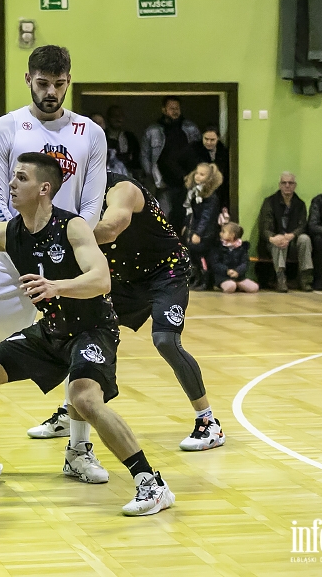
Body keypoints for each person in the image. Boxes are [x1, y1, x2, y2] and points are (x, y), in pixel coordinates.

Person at [0, 154, 175, 516]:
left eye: (21, 178)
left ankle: (151, 484)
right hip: (51, 330)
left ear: (44, 189)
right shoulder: (6, 232)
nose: (11, 184)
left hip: (92, 330)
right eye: (12, 177)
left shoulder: (73, 227)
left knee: (84, 399)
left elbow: (101, 279)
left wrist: (55, 286)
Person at [91, 172, 224, 452]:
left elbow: (112, 227)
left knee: (166, 341)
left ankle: (208, 421)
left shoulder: (121, 188)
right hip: (123, 276)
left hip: (166, 271)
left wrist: (60, 235)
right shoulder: (72, 192)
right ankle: (75, 412)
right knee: (83, 333)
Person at [140, 96, 200, 232]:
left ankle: (183, 250)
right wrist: (151, 176)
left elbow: (198, 153)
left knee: (186, 219)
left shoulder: (190, 128)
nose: (175, 111)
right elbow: (144, 156)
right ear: (164, 110)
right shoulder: (153, 130)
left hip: (187, 182)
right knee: (163, 218)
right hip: (163, 183)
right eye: (171, 108)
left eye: (177, 108)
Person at [258, 172, 313, 292]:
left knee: (305, 239)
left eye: (290, 183)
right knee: (279, 241)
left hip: (293, 241)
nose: (287, 185)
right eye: (284, 183)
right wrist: (273, 238)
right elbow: (264, 227)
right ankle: (281, 278)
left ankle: (305, 278)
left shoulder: (300, 204)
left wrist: (292, 235)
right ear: (279, 185)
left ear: (295, 185)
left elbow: (303, 225)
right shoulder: (269, 202)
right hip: (271, 243)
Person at [182, 163, 223, 290]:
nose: (198, 176)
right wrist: (186, 225)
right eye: (197, 173)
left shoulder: (211, 196)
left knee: (203, 255)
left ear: (209, 178)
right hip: (194, 227)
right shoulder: (194, 192)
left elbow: (207, 217)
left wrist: (198, 233)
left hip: (206, 232)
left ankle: (206, 281)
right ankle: (197, 278)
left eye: (202, 174)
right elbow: (190, 211)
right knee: (192, 253)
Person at [181, 125, 230, 211]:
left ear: (218, 138)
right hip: (196, 189)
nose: (209, 142)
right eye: (206, 139)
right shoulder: (193, 149)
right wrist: (184, 177)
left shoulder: (223, 151)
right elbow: (178, 162)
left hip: (217, 190)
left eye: (212, 140)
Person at [210, 222, 258, 293]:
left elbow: (245, 263)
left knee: (254, 288)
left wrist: (238, 271)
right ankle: (225, 285)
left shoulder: (242, 248)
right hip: (223, 277)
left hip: (238, 276)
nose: (220, 233)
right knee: (230, 287)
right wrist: (227, 271)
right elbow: (215, 263)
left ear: (232, 235)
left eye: (223, 232)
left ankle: (238, 284)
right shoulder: (218, 247)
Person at [105, 105, 141, 179]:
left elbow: (136, 159)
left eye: (120, 116)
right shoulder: (102, 136)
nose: (118, 119)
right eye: (114, 116)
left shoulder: (130, 137)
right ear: (108, 118)